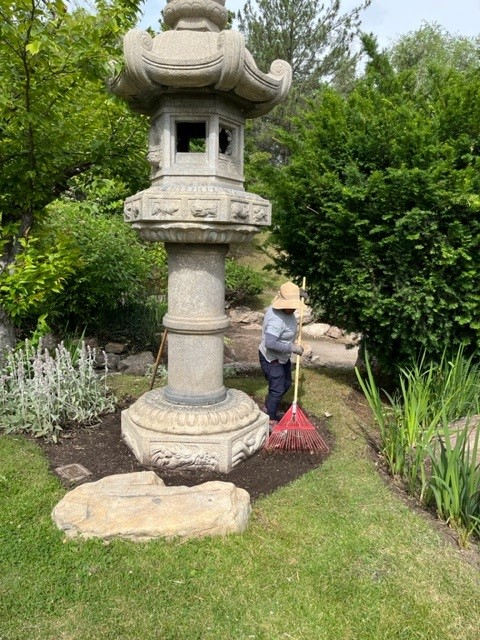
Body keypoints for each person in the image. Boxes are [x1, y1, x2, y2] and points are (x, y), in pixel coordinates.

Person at [259, 281, 306, 430]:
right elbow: (270, 343)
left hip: (282, 356)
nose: (293, 307)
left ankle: (269, 406)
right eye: (291, 304)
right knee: (278, 389)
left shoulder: (282, 305)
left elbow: (285, 292)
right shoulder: (276, 320)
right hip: (271, 357)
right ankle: (269, 419)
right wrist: (292, 347)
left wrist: (300, 295)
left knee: (286, 384)